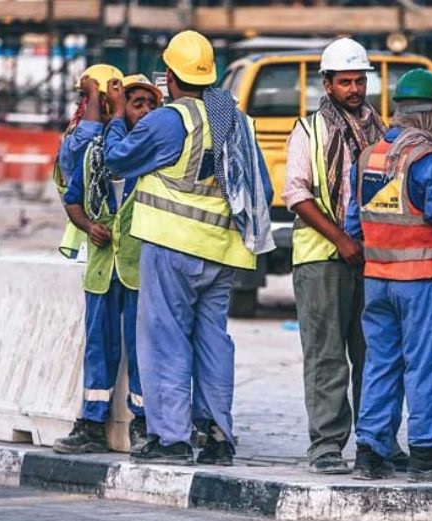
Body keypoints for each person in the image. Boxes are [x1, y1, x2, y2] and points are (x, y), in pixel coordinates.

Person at [104, 30, 274, 466]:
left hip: (171, 247)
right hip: (222, 252)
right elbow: (262, 186)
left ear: (169, 78)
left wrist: (116, 116)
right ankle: (217, 435)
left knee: (165, 340)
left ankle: (172, 438)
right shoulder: (233, 119)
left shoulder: (168, 120)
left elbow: (118, 160)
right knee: (213, 341)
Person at [345, 69, 432, 481]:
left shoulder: (369, 156)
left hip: (377, 280)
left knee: (381, 364)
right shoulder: (429, 160)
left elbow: (354, 225)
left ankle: (372, 450)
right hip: (420, 280)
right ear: (431, 115)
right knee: (429, 364)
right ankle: (427, 451)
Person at [284, 37, 407, 474]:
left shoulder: (383, 132)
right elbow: (296, 194)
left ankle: (377, 442)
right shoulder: (308, 130)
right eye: (346, 82)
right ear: (328, 83)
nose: (355, 89)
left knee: (374, 354)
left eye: (360, 80)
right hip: (322, 260)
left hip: (373, 260)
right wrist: (341, 238)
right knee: (327, 355)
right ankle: (327, 445)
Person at [53, 74, 163, 454]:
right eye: (137, 104)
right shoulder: (94, 154)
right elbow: (72, 200)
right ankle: (92, 423)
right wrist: (87, 226)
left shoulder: (155, 156)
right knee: (99, 346)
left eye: (151, 105)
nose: (145, 112)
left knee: (141, 347)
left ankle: (144, 423)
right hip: (102, 270)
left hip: (139, 270)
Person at [53, 64, 124, 259]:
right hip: (87, 241)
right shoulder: (74, 143)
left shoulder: (118, 139)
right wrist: (94, 95)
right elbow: (87, 137)